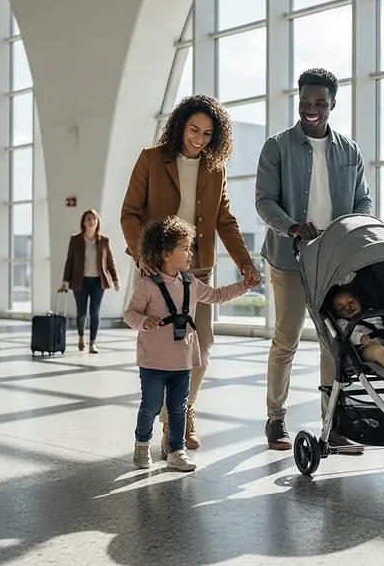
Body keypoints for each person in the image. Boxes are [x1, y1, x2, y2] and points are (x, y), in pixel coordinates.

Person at [121, 95, 261, 456]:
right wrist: (143, 256)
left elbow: (225, 221)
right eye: (193, 130)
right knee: (162, 343)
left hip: (198, 265)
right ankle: (169, 418)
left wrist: (245, 262)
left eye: (207, 134)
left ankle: (180, 415)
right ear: (180, 125)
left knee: (203, 342)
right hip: (158, 266)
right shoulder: (151, 159)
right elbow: (130, 214)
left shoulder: (215, 168)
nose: (198, 139)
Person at [255, 67, 372, 453]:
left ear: (332, 105)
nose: (311, 109)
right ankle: (275, 418)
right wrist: (291, 227)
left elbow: (363, 201)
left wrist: (355, 230)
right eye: (305, 101)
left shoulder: (349, 151)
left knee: (334, 343)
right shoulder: (277, 147)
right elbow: (264, 201)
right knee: (286, 339)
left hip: (334, 260)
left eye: (320, 103)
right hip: (290, 259)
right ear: (299, 101)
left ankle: (332, 422)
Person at [124, 216, 249, 471]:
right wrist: (144, 321)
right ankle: (142, 444)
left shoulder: (191, 283)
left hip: (182, 360)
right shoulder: (147, 285)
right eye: (184, 248)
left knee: (179, 408)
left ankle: (177, 451)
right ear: (167, 253)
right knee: (150, 405)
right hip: (153, 361)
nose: (190, 253)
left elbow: (216, 296)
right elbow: (130, 314)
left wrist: (243, 286)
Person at [61, 209, 120, 354]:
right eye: (88, 219)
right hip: (79, 281)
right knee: (81, 313)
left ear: (97, 221)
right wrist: (65, 281)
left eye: (94, 219)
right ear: (84, 222)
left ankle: (92, 343)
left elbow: (110, 262)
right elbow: (70, 261)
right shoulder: (76, 239)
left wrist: (115, 279)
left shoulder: (104, 240)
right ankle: (81, 336)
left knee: (95, 312)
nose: (91, 221)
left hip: (97, 282)